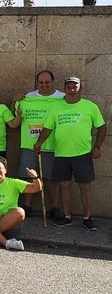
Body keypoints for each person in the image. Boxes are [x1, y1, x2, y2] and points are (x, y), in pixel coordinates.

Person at [34, 77, 106, 230]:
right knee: (64, 186)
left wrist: (97, 146)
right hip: (61, 154)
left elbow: (102, 127)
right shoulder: (56, 107)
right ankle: (67, 216)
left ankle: (87, 217)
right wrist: (39, 142)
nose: (72, 90)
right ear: (64, 89)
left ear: (81, 89)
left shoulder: (90, 107)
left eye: (75, 87)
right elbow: (48, 128)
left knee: (85, 187)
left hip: (83, 154)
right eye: (68, 87)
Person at [9, 70, 64, 219]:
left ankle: (55, 208)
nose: (44, 85)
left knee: (51, 178)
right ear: (37, 83)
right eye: (41, 82)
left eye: (47, 82)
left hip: (52, 145)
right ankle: (27, 206)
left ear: (53, 82)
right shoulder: (28, 98)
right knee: (28, 176)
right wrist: (15, 101)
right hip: (29, 145)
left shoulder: (62, 99)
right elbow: (15, 115)